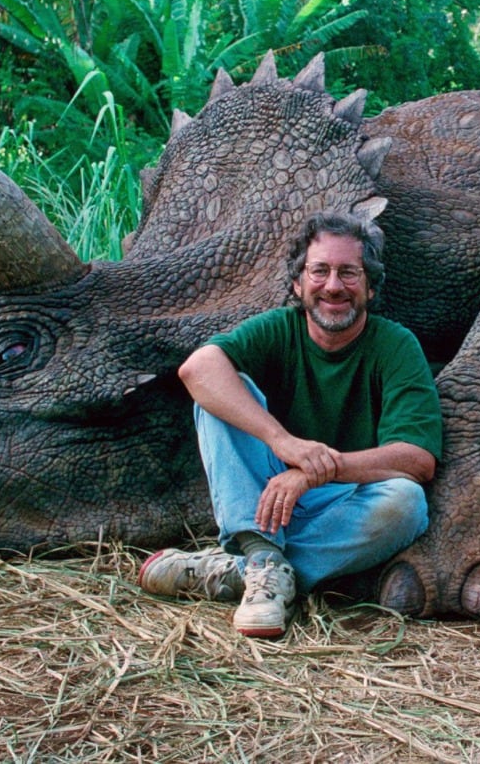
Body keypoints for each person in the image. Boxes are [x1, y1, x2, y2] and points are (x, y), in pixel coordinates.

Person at [139, 211, 443, 637]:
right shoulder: (277, 329)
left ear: (370, 287)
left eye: (348, 273)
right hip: (266, 499)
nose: (333, 286)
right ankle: (264, 558)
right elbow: (197, 370)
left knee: (408, 504)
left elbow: (417, 459)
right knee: (222, 393)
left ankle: (241, 572)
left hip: (342, 505)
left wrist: (316, 471)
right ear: (298, 284)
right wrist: (283, 443)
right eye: (319, 271)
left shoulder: (396, 346)